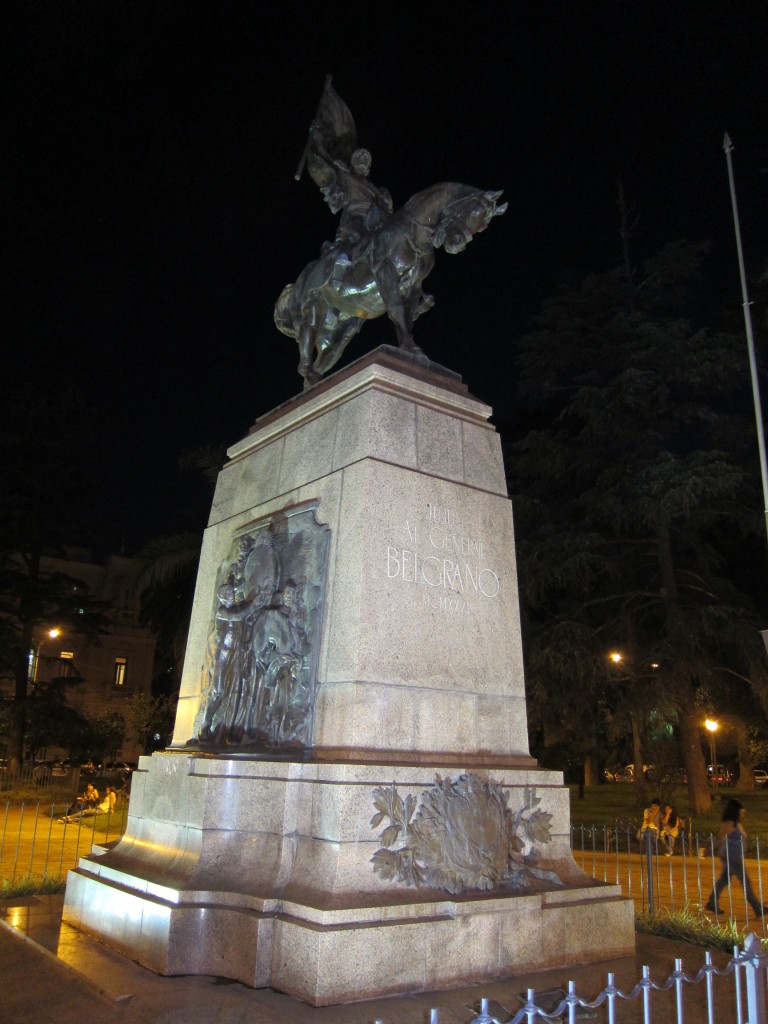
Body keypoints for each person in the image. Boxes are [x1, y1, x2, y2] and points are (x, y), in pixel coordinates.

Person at [705, 798, 768, 916]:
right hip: (732, 858)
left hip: (732, 856)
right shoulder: (730, 823)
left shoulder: (735, 822)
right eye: (741, 811)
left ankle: (712, 902)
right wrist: (709, 849)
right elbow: (721, 837)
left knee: (723, 880)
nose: (743, 813)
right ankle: (758, 908)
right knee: (746, 883)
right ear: (736, 811)